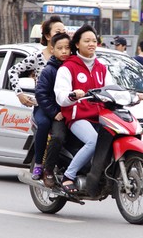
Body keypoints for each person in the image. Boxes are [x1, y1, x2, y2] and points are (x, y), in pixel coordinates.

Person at [53, 25, 116, 193]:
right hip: (77, 116)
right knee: (93, 140)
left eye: (94, 41)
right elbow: (60, 95)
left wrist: (132, 95)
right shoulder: (68, 67)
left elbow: (112, 89)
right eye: (87, 41)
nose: (91, 44)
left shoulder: (102, 68)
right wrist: (72, 95)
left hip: (100, 115)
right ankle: (69, 176)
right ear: (77, 44)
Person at [8, 15, 66, 180]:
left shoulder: (68, 55)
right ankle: (39, 163)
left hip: (65, 104)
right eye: (58, 31)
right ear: (48, 36)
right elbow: (13, 71)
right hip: (44, 105)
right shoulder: (38, 56)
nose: (62, 34)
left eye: (64, 31)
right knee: (44, 123)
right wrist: (20, 94)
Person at [34, 32, 71, 187]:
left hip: (67, 110)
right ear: (52, 49)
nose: (64, 51)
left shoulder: (74, 67)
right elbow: (41, 94)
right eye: (59, 48)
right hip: (48, 108)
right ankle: (40, 165)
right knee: (45, 126)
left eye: (67, 48)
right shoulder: (49, 70)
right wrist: (54, 112)